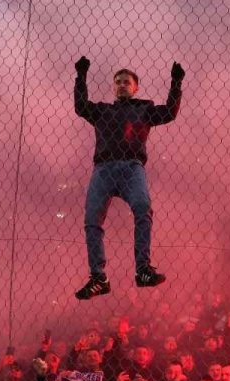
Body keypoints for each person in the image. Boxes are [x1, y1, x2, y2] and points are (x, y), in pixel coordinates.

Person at [72, 56, 185, 298]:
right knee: (92, 219)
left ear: (136, 88)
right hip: (103, 169)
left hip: (132, 167)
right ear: (114, 87)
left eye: (126, 81)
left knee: (143, 207)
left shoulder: (143, 109)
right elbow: (81, 106)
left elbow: (169, 113)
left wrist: (176, 83)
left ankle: (143, 269)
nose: (122, 84)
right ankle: (98, 278)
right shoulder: (102, 111)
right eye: (118, 81)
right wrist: (81, 76)